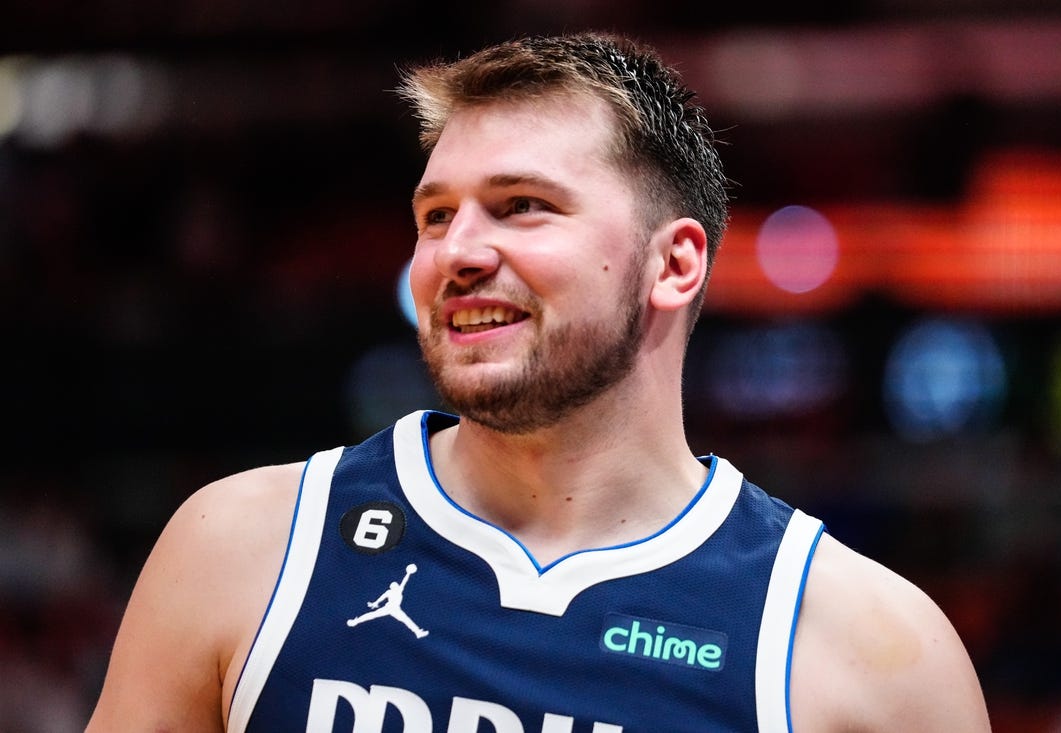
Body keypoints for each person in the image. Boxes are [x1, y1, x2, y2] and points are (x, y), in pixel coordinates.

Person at [86, 32, 991, 732]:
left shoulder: (867, 653)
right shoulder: (240, 548)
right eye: (436, 215)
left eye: (522, 206)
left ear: (672, 263)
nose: (458, 253)